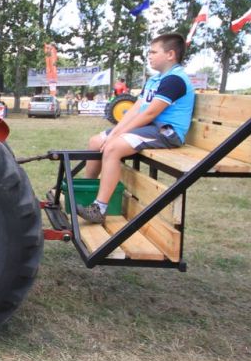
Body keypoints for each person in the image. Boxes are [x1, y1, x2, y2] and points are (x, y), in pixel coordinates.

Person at [77, 33, 195, 224]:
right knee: (96, 141)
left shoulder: (175, 80)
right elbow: (135, 109)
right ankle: (82, 193)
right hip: (151, 127)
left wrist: (116, 137)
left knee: (113, 147)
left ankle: (99, 208)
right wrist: (114, 132)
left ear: (170, 54)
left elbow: (149, 114)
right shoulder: (155, 80)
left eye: (153, 52)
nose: (149, 56)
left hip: (167, 132)